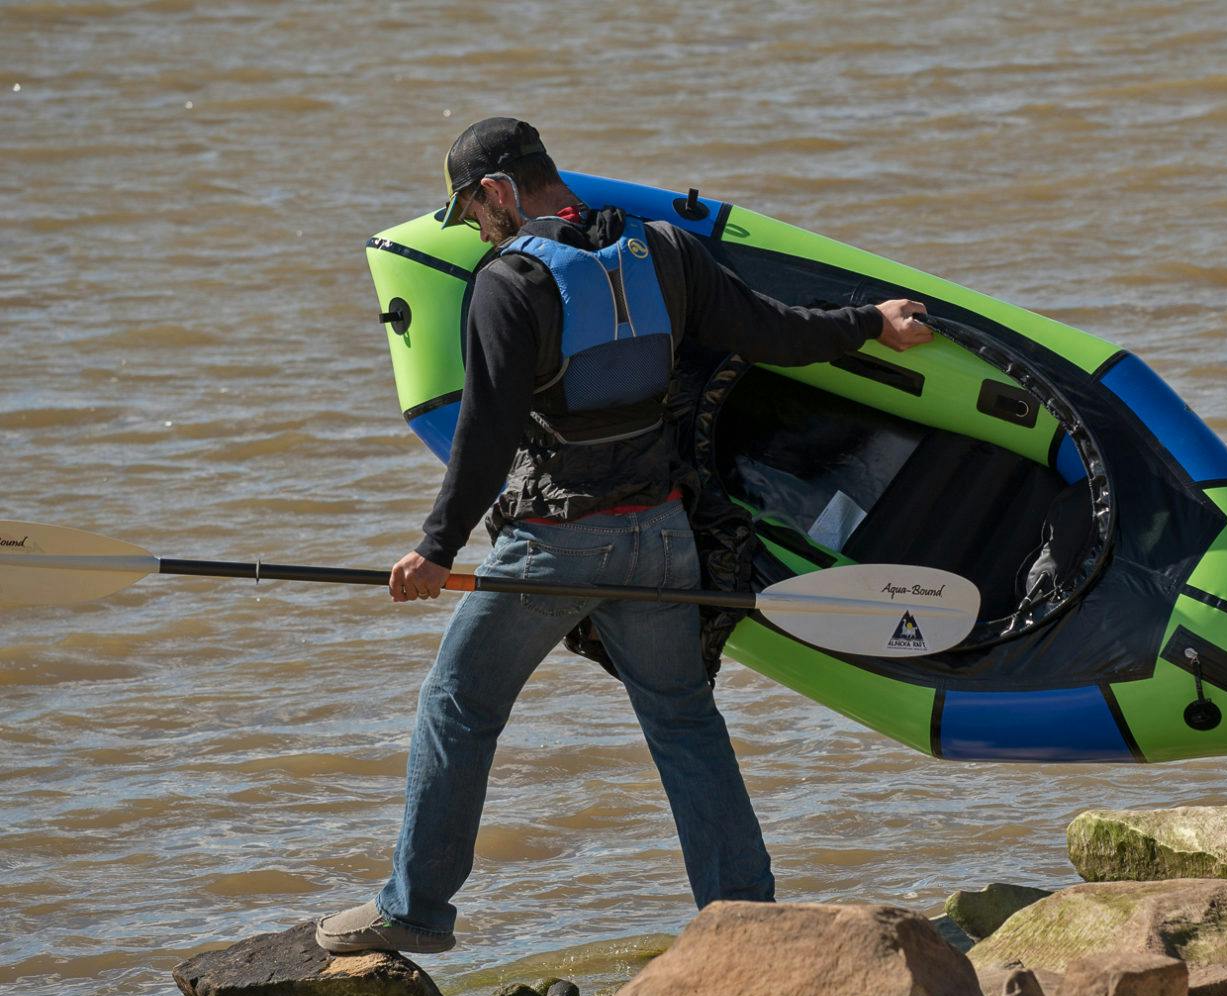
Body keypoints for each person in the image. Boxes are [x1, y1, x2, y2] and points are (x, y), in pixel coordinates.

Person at [315, 117, 933, 953]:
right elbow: (774, 331)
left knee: (458, 708)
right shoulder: (667, 251)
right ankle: (744, 912)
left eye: (471, 210)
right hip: (661, 535)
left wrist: (436, 548)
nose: (474, 228)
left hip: (554, 546)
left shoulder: (507, 285)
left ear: (497, 190)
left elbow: (486, 436)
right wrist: (873, 321)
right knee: (683, 720)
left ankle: (416, 908)